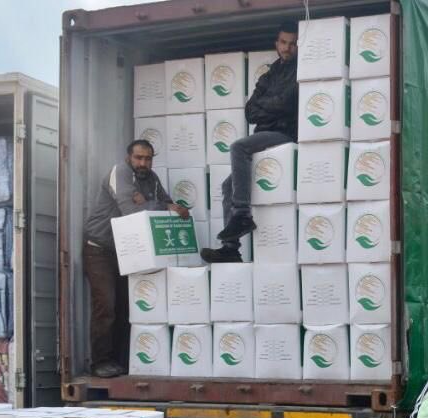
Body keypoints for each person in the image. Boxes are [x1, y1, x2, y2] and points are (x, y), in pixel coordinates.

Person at [83, 139, 188, 377]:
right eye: (139, 158)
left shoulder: (151, 179)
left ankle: (119, 361)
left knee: (124, 307)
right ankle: (100, 362)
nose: (143, 162)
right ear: (129, 157)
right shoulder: (119, 172)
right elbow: (129, 210)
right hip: (99, 248)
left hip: (126, 250)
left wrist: (155, 204)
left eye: (148, 158)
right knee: (106, 306)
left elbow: (171, 205)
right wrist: (158, 205)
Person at [201, 23, 298, 263]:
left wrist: (270, 107)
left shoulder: (301, 69)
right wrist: (271, 106)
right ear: (276, 44)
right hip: (266, 134)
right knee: (227, 186)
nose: (287, 48)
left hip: (286, 134)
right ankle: (231, 248)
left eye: (293, 43)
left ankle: (242, 214)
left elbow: (287, 104)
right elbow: (250, 111)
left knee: (238, 146)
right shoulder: (270, 73)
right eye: (283, 42)